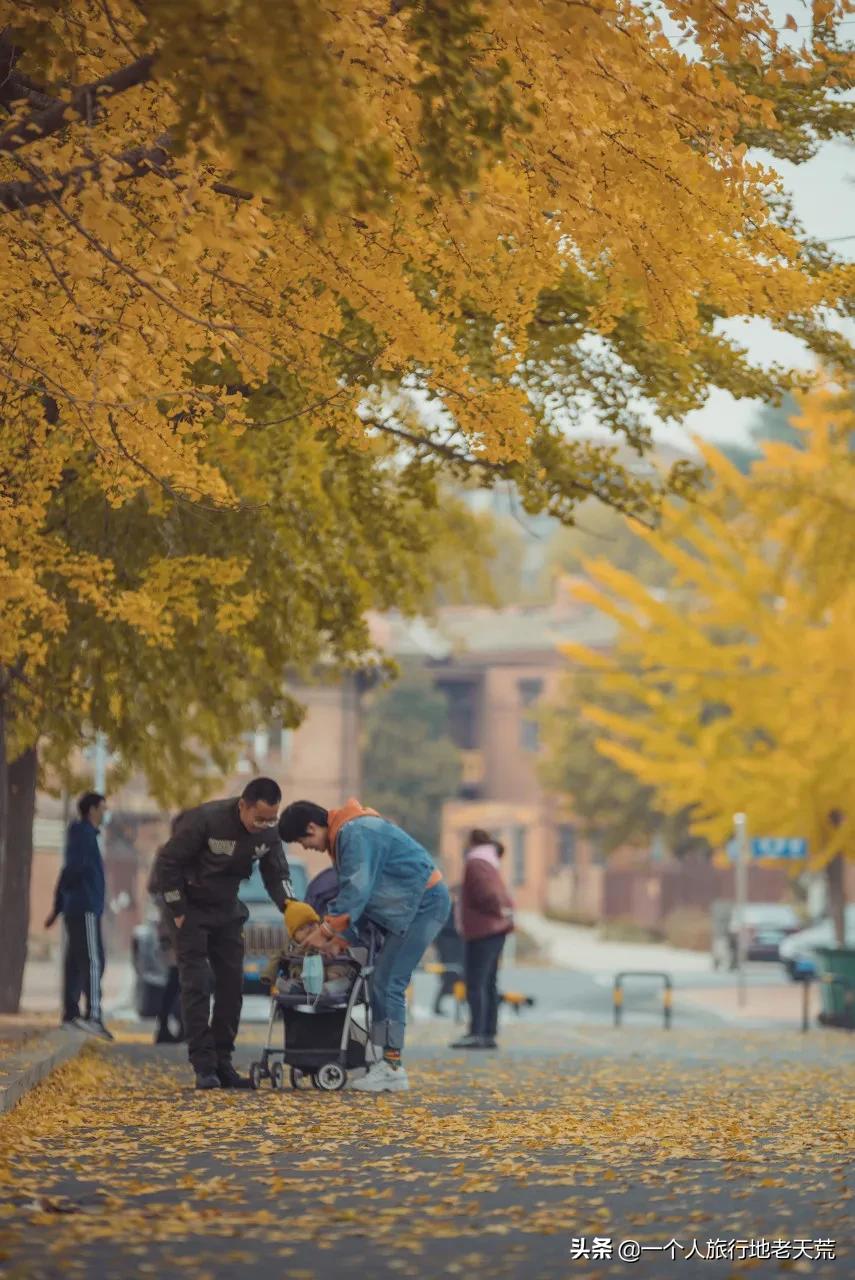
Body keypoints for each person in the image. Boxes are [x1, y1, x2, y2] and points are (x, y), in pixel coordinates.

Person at [279, 797, 450, 1093]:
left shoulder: (355, 833)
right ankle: (388, 1063)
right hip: (411, 907)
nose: (307, 848)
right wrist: (341, 940)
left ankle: (392, 1067)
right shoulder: (347, 834)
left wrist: (325, 931)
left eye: (303, 841)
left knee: (388, 981)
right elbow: (360, 895)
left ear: (311, 826)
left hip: (423, 905)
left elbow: (356, 892)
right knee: (382, 982)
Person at [153, 777, 295, 1089]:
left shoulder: (269, 832)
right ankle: (203, 1065)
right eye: (259, 818)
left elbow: (277, 873)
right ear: (243, 805)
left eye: (271, 818)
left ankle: (223, 1061)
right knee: (197, 983)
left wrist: (290, 907)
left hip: (227, 908)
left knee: (232, 983)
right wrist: (177, 909)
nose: (264, 824)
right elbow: (168, 861)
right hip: (191, 909)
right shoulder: (207, 819)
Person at [45, 792, 113, 1041]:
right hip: (84, 907)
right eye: (103, 808)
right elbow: (72, 870)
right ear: (92, 809)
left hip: (79, 906)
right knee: (94, 961)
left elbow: (68, 870)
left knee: (74, 962)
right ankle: (93, 1016)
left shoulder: (83, 835)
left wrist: (58, 907)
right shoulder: (83, 834)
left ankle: (71, 1015)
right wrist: (61, 903)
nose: (105, 813)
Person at [451, 829, 514, 1051]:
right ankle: (488, 1032)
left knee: (475, 983)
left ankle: (477, 1032)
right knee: (489, 982)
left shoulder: (476, 862)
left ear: (471, 841)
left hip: (482, 930)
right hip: (494, 930)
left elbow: (488, 894)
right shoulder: (489, 862)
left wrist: (495, 911)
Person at [147, 812, 186, 1046]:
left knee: (181, 976)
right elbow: (153, 885)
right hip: (173, 923)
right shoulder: (170, 852)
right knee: (177, 975)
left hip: (178, 922)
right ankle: (167, 1024)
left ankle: (176, 1025)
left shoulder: (177, 852)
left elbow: (152, 886)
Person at [264, 900, 353, 1001]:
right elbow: (276, 958)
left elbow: (340, 949)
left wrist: (336, 968)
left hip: (328, 979)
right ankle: (299, 990)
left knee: (340, 980)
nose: (309, 930)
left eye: (311, 925)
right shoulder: (290, 947)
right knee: (281, 983)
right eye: (302, 928)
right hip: (302, 980)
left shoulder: (328, 939)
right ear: (294, 935)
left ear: (318, 925)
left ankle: (326, 990)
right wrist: (269, 975)